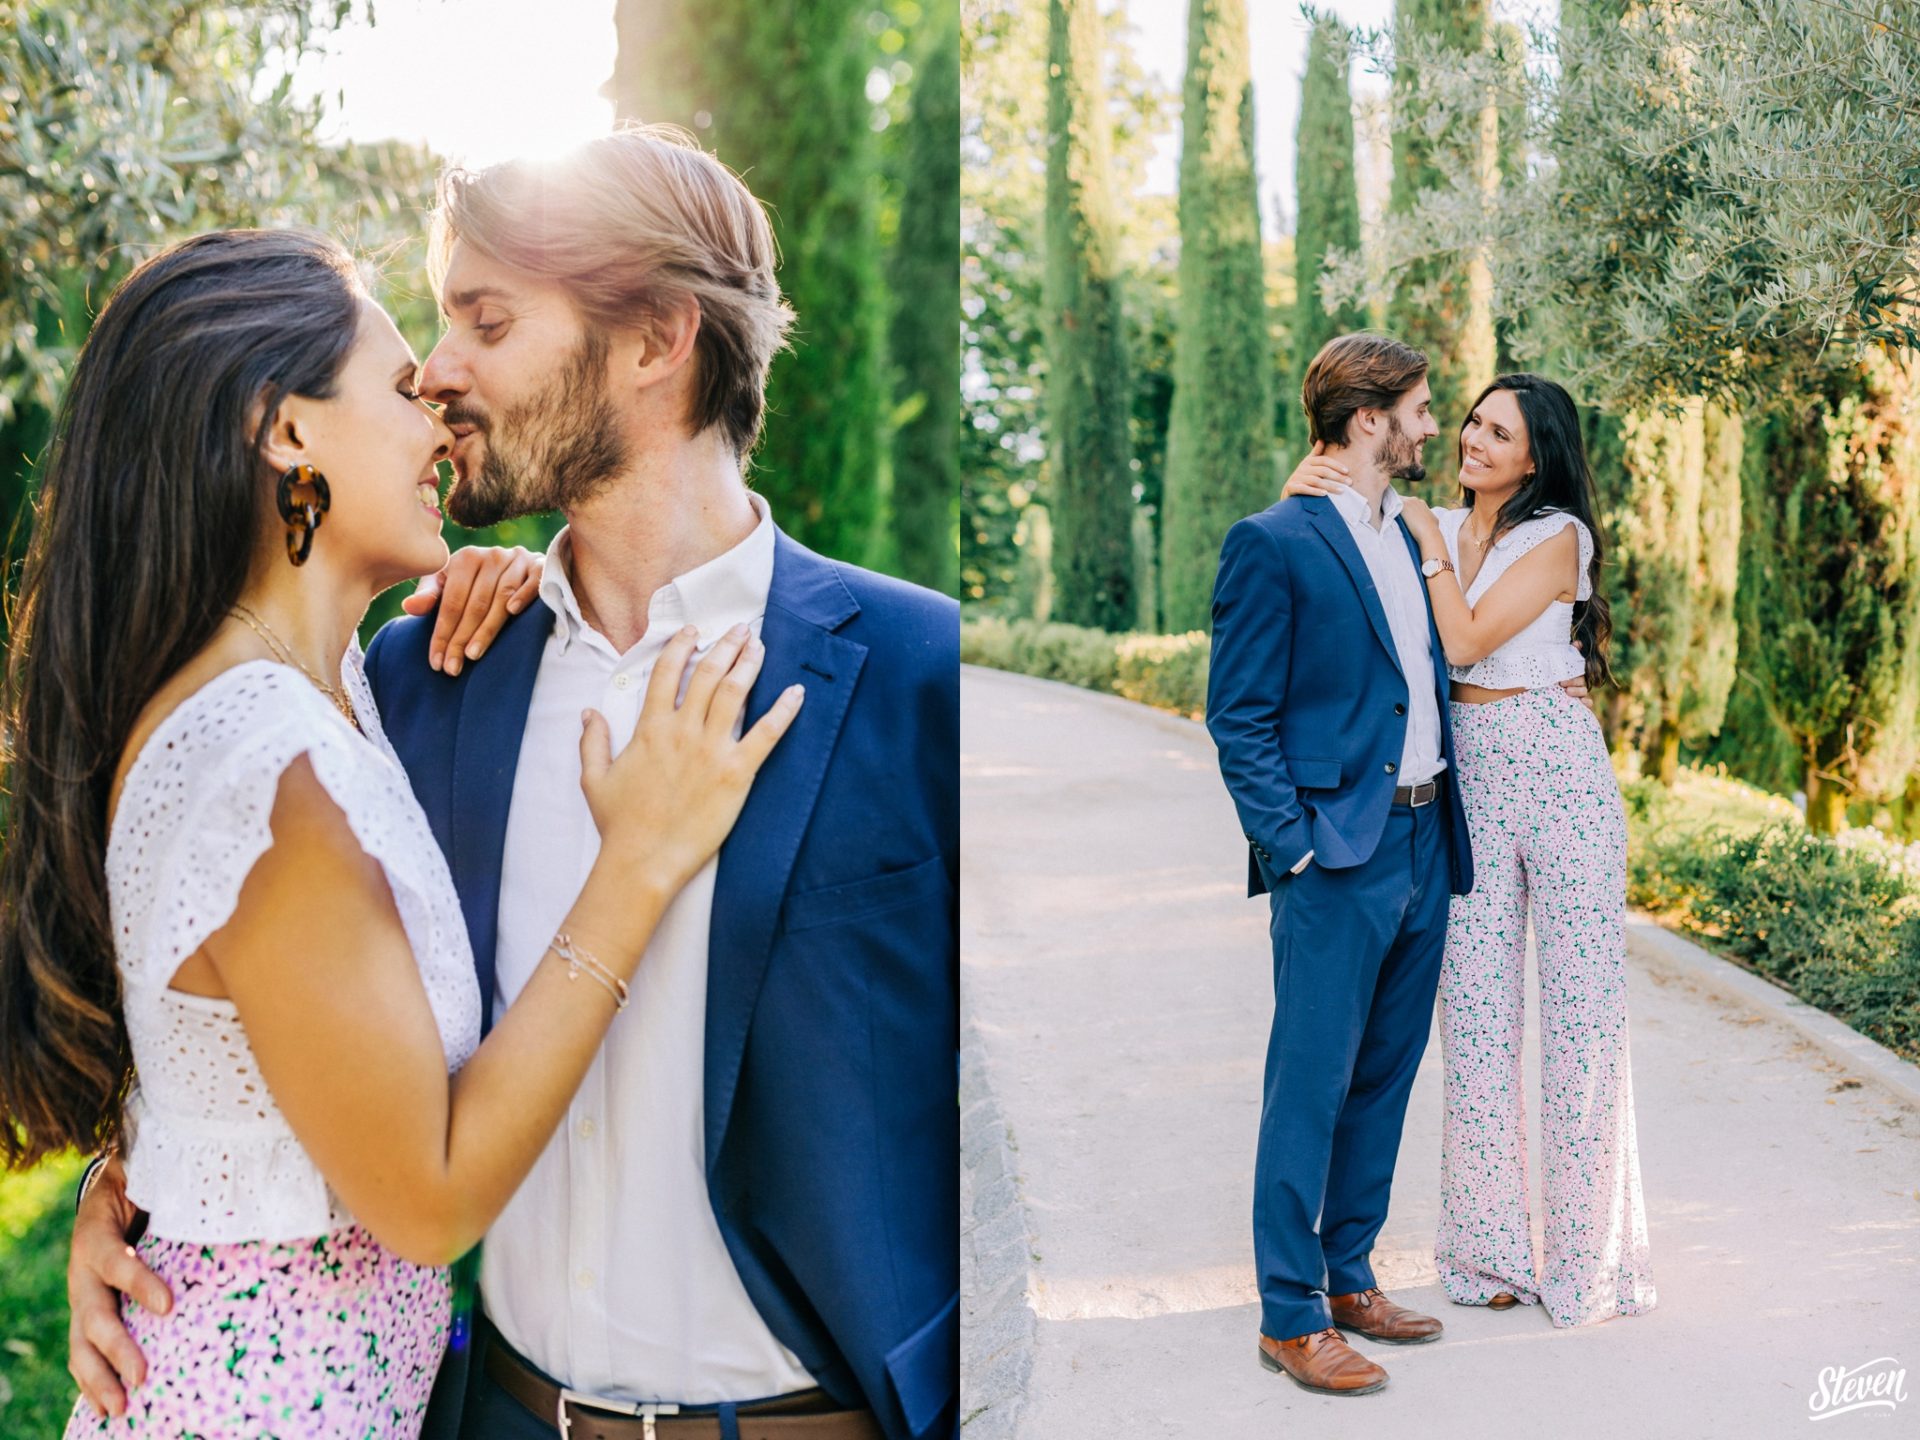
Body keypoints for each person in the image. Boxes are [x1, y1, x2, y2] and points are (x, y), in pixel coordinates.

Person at [70, 124, 960, 1440]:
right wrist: (141, 1182)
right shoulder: (426, 686)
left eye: (486, 319)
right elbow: (271, 996)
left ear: (658, 337)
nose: (437, 373)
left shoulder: (917, 673)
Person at [1283, 372, 1657, 1328]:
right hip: (1470, 781)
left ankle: (1589, 1264)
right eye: (1473, 422)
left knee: (1582, 1020)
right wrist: (1314, 489)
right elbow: (1316, 515)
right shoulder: (1433, 529)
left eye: (1502, 432)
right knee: (1479, 1026)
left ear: (1539, 457)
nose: (1475, 440)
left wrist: (1422, 538)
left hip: (1561, 771)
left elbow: (1468, 636)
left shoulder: (1556, 536)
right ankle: (1489, 1254)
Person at [1207, 333, 1472, 1398]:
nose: (1428, 427)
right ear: (1368, 420)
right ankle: (1288, 1313)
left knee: (1386, 1074)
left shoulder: (1410, 533)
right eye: (1415, 409)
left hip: (1423, 837)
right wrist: (1298, 846)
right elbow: (1239, 716)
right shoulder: (1269, 541)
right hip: (1339, 854)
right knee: (1309, 1085)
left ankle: (1351, 1274)